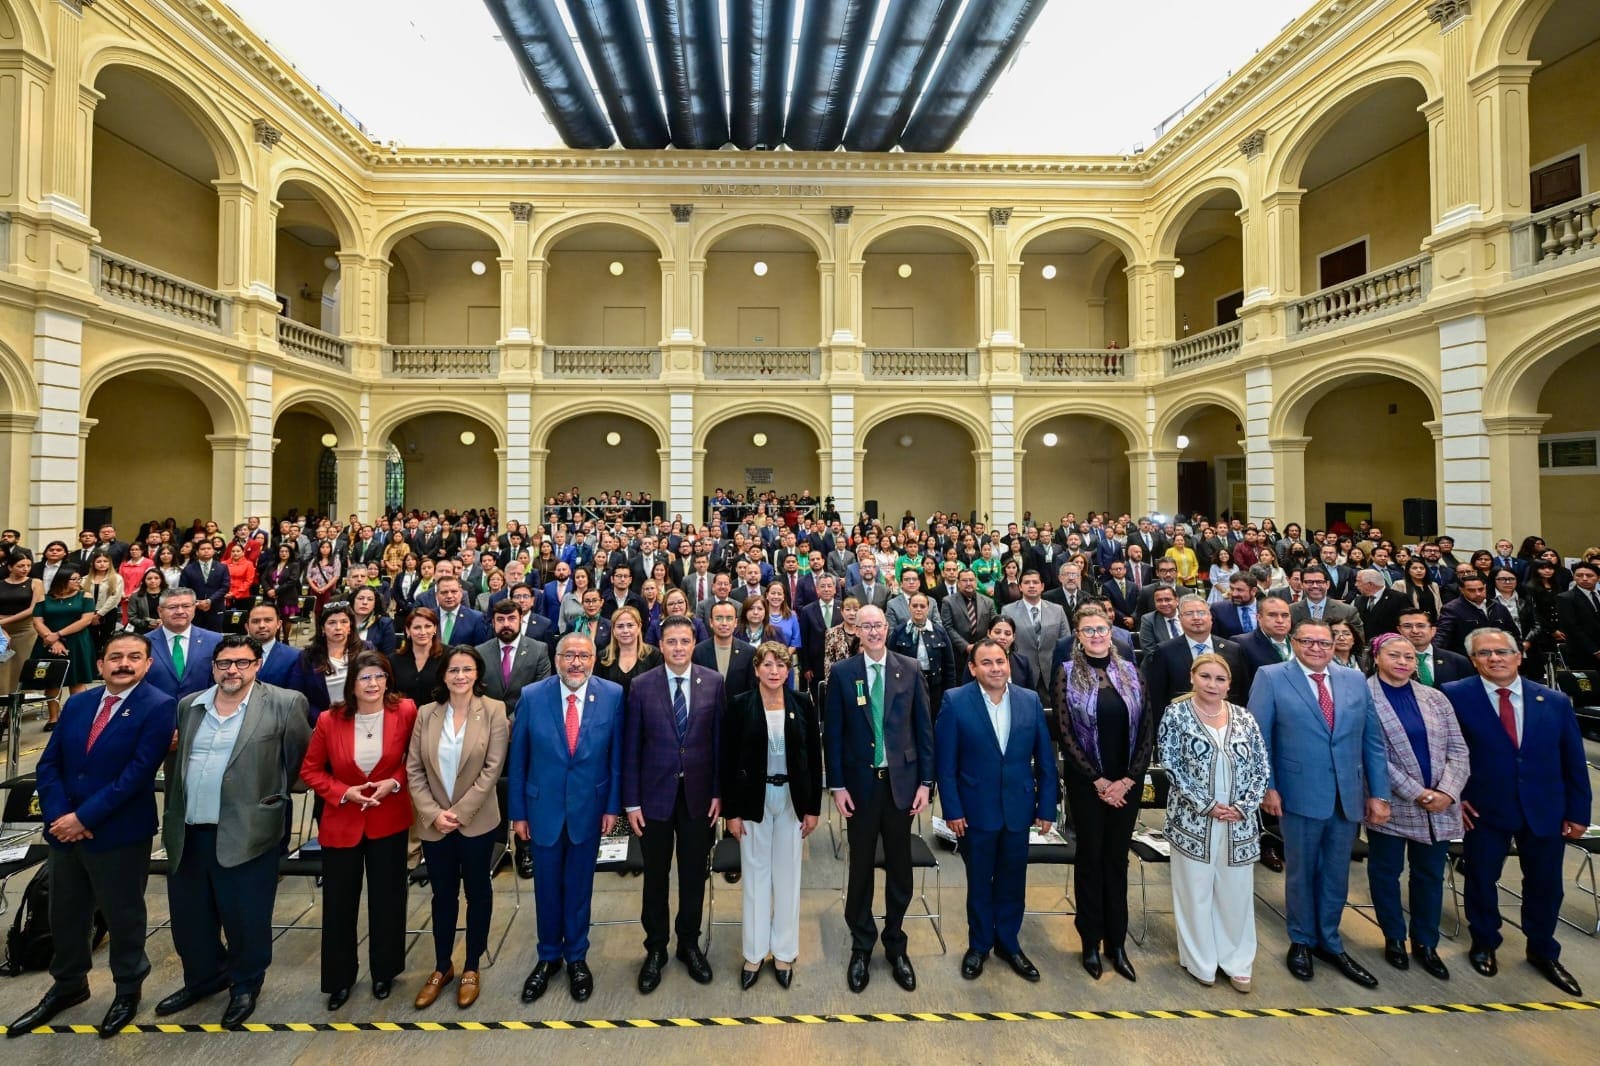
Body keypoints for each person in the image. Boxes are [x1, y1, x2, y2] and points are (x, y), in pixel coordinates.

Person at [8, 634, 176, 1039]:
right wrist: (59, 817)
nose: (124, 663)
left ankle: (127, 989)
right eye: (115, 657)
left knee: (123, 915)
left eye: (134, 657)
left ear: (148, 665)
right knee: (65, 913)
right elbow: (49, 765)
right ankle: (69, 984)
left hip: (119, 832)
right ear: (100, 665)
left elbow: (136, 775)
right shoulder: (79, 703)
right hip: (64, 832)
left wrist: (82, 817)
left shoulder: (158, 706)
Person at [156, 634, 312, 1026]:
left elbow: (298, 763)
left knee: (245, 917)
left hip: (248, 831)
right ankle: (204, 978)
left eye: (242, 663)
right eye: (224, 663)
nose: (232, 670)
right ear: (213, 667)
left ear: (257, 665)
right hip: (190, 830)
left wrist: (270, 800)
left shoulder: (285, 703)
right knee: (190, 917)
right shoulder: (190, 705)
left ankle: (245, 984)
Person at [1445, 628, 1591, 996]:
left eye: (1502, 651)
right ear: (1473, 660)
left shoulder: (1554, 701)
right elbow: (1444, 752)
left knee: (1546, 884)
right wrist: (1455, 797)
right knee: (1481, 879)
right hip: (1483, 807)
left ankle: (1542, 950)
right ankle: (1484, 942)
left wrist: (1579, 812)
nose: (1494, 658)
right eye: (1484, 653)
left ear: (1518, 656)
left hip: (1546, 807)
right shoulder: (1453, 696)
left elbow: (1574, 761)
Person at [1248, 618, 1390, 988]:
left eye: (1324, 642)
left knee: (1336, 874)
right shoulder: (1272, 677)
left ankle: (1330, 940)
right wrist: (1267, 787)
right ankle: (1301, 940)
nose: (1316, 648)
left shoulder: (1354, 679)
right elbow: (1258, 738)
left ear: (1334, 645)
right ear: (1294, 642)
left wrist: (1378, 793)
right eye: (1307, 641)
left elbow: (1372, 741)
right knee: (1302, 871)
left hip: (1347, 795)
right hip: (1298, 794)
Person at [298, 651, 418, 1010]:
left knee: (389, 899)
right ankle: (339, 979)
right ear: (352, 684)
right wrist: (343, 792)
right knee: (339, 904)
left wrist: (394, 783)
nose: (373, 683)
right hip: (342, 821)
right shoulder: (329, 719)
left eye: (380, 676)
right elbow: (310, 770)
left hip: (389, 817)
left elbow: (415, 759)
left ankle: (385, 971)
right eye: (365, 677)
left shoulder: (406, 711)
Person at [824, 604, 934, 994]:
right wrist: (837, 785)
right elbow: (832, 734)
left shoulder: (910, 668)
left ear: (888, 628)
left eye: (879, 625)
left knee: (901, 869)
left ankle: (895, 943)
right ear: (856, 630)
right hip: (860, 788)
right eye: (866, 626)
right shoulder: (843, 673)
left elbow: (924, 729)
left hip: (902, 786)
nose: (873, 631)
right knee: (861, 869)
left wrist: (926, 783)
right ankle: (862, 944)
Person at [936, 638, 1059, 983]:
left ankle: (1008, 943)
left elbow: (1045, 761)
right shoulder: (955, 701)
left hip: (1019, 809)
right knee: (979, 882)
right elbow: (946, 765)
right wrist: (952, 810)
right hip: (975, 811)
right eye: (986, 663)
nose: (995, 668)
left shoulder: (1029, 700)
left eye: (1000, 662)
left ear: (1009, 664)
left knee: (1012, 881)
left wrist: (1046, 807)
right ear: (973, 668)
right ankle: (979, 946)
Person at [511, 633, 625, 1005]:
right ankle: (548, 957)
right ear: (556, 659)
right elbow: (518, 759)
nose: (576, 663)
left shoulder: (612, 695)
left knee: (579, 888)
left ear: (594, 660)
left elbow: (616, 758)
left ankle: (576, 956)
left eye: (583, 656)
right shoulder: (532, 696)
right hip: (542, 811)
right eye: (569, 655)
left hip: (589, 810)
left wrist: (612, 807)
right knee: (546, 889)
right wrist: (518, 814)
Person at [1157, 652, 1269, 992]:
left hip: (1239, 822)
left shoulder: (1244, 718)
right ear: (1192, 677)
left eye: (1220, 679)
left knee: (1236, 894)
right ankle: (1201, 960)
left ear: (1229, 684)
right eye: (1205, 677)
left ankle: (1237, 961)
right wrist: (1205, 805)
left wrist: (1244, 806)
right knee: (1195, 892)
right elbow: (1170, 764)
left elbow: (1261, 766)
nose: (1212, 684)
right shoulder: (1176, 715)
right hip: (1193, 821)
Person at [624, 615, 724, 992]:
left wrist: (718, 792)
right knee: (656, 876)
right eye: (671, 642)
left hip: (699, 798)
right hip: (653, 798)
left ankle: (688, 944)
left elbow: (719, 744)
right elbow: (632, 747)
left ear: (694, 644)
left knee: (694, 874)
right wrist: (631, 802)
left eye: (685, 641)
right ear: (661, 645)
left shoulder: (713, 682)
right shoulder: (641, 685)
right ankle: (655, 948)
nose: (678, 648)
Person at [406, 645, 509, 1009]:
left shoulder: (494, 710)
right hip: (435, 824)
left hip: (476, 822)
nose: (460, 676)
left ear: (477, 674)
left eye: (467, 669)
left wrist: (459, 813)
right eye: (453, 670)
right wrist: (433, 813)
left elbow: (492, 770)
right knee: (442, 894)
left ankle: (471, 966)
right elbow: (413, 769)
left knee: (478, 892)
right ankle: (442, 966)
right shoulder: (426, 714)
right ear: (443, 676)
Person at [1362, 633, 1469, 981]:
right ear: (1377, 658)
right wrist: (1418, 793)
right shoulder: (1363, 697)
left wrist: (1447, 792)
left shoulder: (1435, 697)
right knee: (1386, 873)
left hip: (1439, 805)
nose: (1403, 662)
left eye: (1409, 657)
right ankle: (1394, 936)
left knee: (1429, 876)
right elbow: (1371, 754)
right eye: (1394, 655)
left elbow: (1459, 750)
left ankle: (1425, 942)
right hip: (1392, 803)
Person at [1054, 604, 1152, 982]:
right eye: (1088, 630)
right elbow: (1065, 733)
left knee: (1116, 861)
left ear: (1111, 632)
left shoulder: (1132, 672)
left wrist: (1127, 780)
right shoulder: (1066, 673)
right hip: (1087, 784)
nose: (1096, 635)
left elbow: (1147, 730)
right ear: (1078, 636)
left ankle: (1117, 942)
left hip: (1126, 785)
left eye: (1101, 629)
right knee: (1090, 860)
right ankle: (1090, 941)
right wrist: (1098, 781)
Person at [721, 641, 823, 989]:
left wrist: (813, 808)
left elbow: (814, 758)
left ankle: (783, 951)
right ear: (756, 669)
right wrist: (731, 813)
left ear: (788, 670)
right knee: (755, 876)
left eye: (780, 665)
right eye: (767, 664)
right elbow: (728, 762)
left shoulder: (802, 703)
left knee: (788, 875)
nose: (774, 671)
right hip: (753, 800)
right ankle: (754, 952)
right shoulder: (740, 705)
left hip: (792, 800)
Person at [31, 568, 98, 729]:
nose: (78, 582)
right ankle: (53, 718)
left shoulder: (85, 596)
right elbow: (37, 621)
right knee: (52, 682)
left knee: (77, 681)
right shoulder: (44, 598)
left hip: (77, 642)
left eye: (79, 579)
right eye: (74, 579)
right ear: (62, 580)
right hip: (49, 642)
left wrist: (58, 634)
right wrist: (53, 641)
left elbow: (86, 620)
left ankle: (78, 717)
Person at [289, 602, 370, 722]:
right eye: (332, 622)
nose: (338, 627)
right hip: (323, 720)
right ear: (322, 628)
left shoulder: (366, 649)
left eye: (344, 622)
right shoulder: (308, 656)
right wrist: (323, 719)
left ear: (350, 627)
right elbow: (296, 695)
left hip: (361, 718)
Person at [594, 604, 660, 700]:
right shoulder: (603, 657)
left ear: (639, 627)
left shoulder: (654, 655)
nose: (625, 630)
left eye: (630, 625)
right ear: (613, 630)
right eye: (620, 626)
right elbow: (598, 690)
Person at [390, 607, 446, 706]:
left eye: (428, 626)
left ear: (435, 628)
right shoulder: (393, 660)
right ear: (408, 630)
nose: (423, 632)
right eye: (417, 627)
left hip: (439, 713)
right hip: (404, 714)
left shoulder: (449, 656)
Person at [179, 540, 231, 631]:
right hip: (195, 609)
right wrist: (197, 602)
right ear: (197, 552)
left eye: (209, 548)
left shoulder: (222, 567)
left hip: (216, 608)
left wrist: (209, 601)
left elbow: (225, 587)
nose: (206, 551)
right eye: (203, 549)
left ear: (213, 551)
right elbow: (183, 589)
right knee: (196, 635)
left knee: (215, 636)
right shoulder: (188, 569)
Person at [83, 551, 124, 651]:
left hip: (108, 613)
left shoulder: (117, 578)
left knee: (106, 642)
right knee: (90, 642)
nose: (102, 564)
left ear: (110, 563)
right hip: (88, 614)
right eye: (98, 561)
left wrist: (99, 615)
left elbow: (114, 598)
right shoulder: (85, 579)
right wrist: (91, 615)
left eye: (105, 561)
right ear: (93, 563)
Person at [125, 567, 167, 636]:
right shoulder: (136, 596)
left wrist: (164, 621)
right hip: (142, 631)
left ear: (161, 580)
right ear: (144, 580)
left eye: (156, 578)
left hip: (165, 629)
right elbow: (132, 617)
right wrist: (147, 623)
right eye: (149, 578)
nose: (153, 581)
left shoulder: (169, 595)